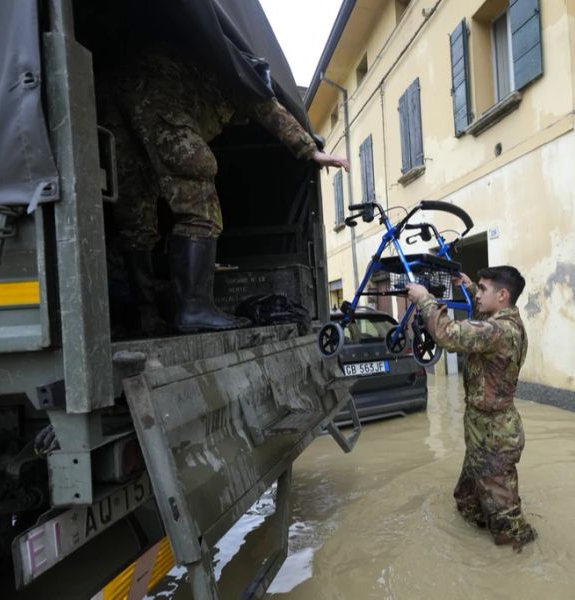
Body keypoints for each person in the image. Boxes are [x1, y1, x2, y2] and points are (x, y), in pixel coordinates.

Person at [98, 45, 348, 335]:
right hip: (158, 99)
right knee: (200, 201)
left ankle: (145, 316)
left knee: (135, 213)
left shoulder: (197, 61)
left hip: (112, 101)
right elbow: (269, 109)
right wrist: (310, 151)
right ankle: (194, 309)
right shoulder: (238, 75)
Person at [406, 266, 537, 551]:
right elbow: (480, 329)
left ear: (502, 295)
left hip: (495, 437)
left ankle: (521, 565)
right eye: (476, 288)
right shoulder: (500, 323)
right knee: (467, 500)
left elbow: (449, 334)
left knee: (509, 526)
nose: (477, 295)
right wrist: (466, 287)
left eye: (481, 290)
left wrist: (424, 299)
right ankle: (482, 546)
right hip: (482, 431)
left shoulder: (500, 330)